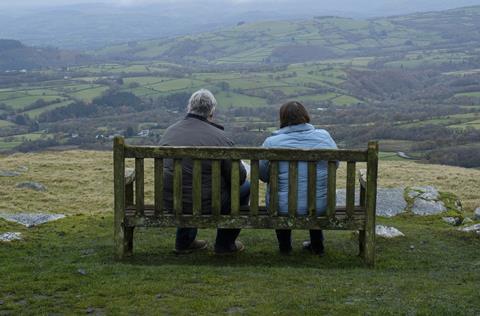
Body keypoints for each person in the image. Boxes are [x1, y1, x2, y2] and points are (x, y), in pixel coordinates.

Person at [160, 89, 249, 254]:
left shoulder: (169, 132)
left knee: (186, 186)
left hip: (171, 201)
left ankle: (184, 242)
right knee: (246, 187)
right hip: (209, 203)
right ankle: (225, 244)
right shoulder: (220, 138)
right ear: (212, 111)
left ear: (189, 107)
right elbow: (238, 178)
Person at [259, 101, 338, 255]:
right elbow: (334, 165)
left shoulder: (271, 142)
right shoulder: (325, 137)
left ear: (282, 118)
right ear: (305, 116)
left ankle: (285, 247)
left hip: (281, 207)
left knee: (281, 199)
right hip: (321, 206)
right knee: (314, 198)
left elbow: (263, 175)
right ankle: (317, 246)